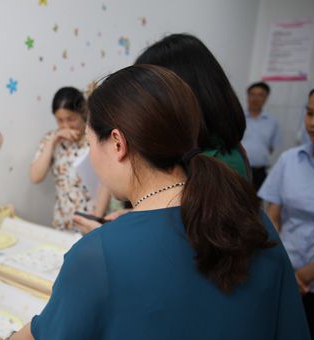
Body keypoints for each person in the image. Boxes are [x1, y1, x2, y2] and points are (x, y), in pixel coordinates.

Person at [0, 65, 314, 340]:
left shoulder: (97, 254)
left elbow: (50, 333)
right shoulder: (252, 221)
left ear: (117, 143)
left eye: (90, 143)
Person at [73, 33, 252, 234]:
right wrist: (137, 217)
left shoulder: (219, 166)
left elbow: (198, 238)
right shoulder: (189, 163)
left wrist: (115, 237)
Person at [259, 84, 314, 340]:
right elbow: (272, 214)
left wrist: (304, 276)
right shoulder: (290, 160)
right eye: (309, 112)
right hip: (285, 273)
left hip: (312, 283)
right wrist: (286, 268)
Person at [30, 87, 110, 231]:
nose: (66, 125)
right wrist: (53, 141)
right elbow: (36, 177)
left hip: (92, 216)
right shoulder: (50, 139)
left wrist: (97, 216)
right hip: (63, 219)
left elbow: (106, 182)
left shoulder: (94, 138)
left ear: (83, 113)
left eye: (71, 119)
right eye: (60, 120)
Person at [242, 81, 281, 190]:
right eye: (252, 94)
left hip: (260, 172)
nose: (255, 98)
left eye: (260, 95)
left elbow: (273, 148)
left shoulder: (272, 122)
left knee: (256, 199)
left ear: (266, 98)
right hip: (238, 168)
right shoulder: (238, 118)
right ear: (247, 97)